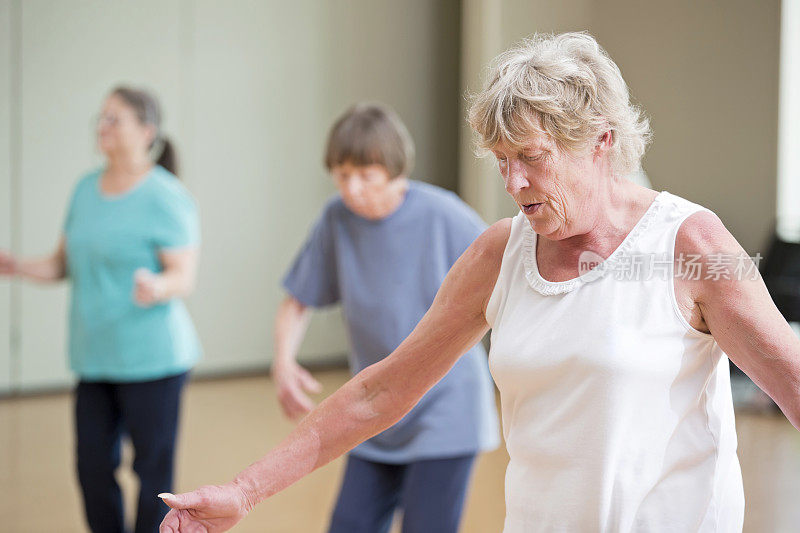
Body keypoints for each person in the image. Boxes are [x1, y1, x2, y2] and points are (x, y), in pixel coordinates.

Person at [159, 32, 800, 532]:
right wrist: (244, 490)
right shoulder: (502, 253)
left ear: (602, 141)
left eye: (532, 157)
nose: (514, 184)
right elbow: (381, 391)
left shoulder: (695, 245)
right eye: (502, 161)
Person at [271, 102, 499, 533]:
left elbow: (508, 282)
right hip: (374, 408)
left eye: (365, 176)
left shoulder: (444, 214)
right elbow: (297, 300)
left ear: (395, 171)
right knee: (349, 525)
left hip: (445, 409)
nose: (352, 189)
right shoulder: (336, 220)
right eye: (342, 176)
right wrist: (283, 362)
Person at [0, 86, 201, 533]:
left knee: (153, 476)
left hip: (153, 360)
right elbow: (62, 264)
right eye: (101, 118)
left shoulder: (165, 195)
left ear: (147, 131)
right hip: (94, 358)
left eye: (115, 119)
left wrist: (157, 285)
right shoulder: (85, 189)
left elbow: (183, 276)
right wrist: (18, 266)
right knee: (92, 468)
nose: (102, 127)